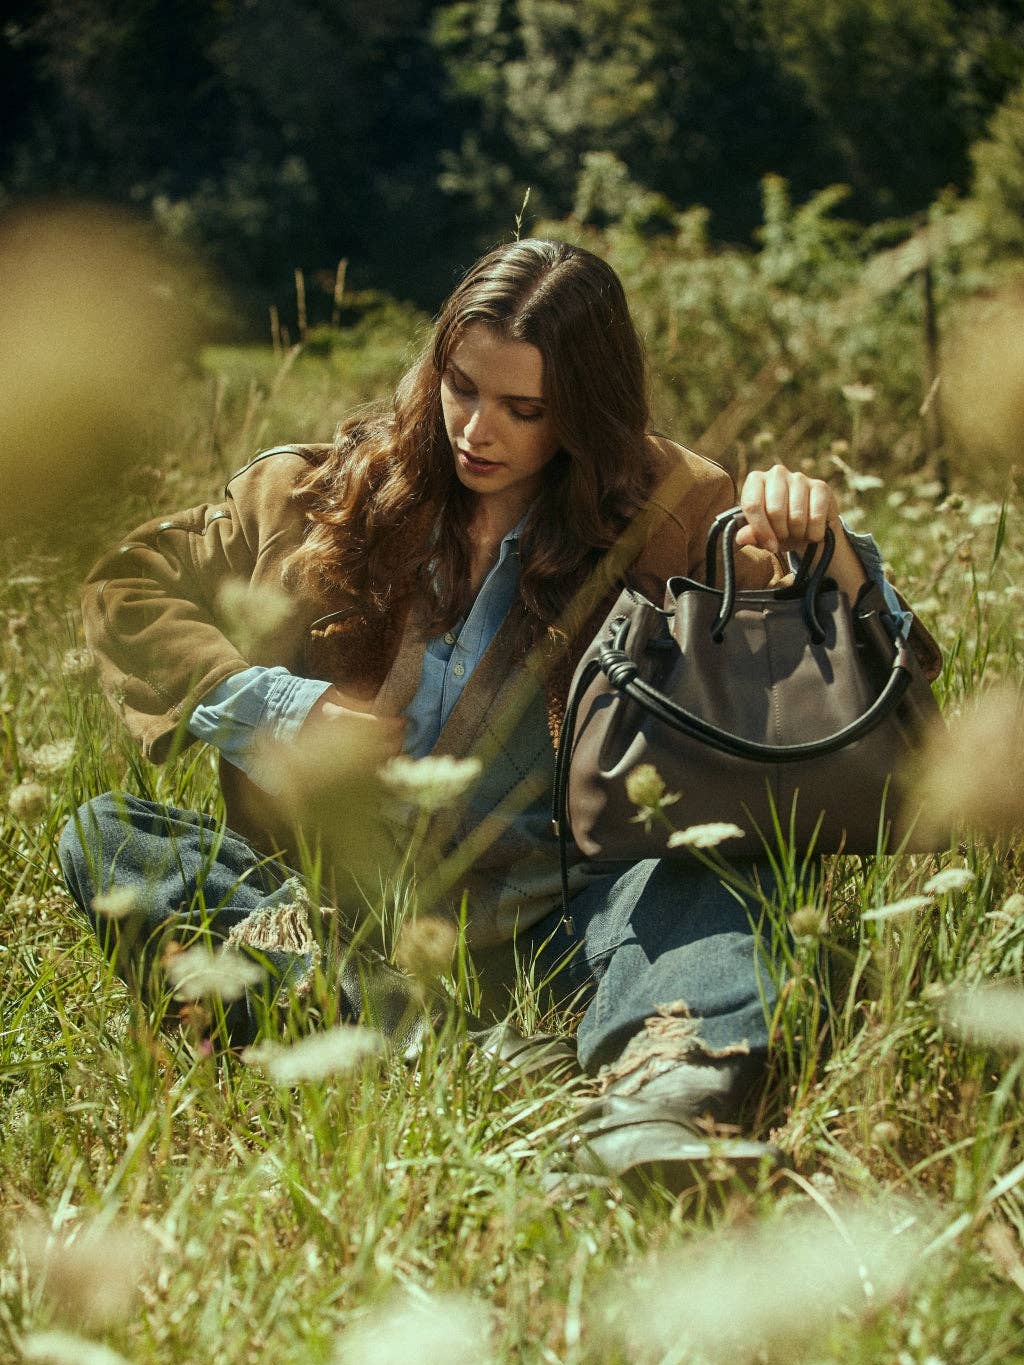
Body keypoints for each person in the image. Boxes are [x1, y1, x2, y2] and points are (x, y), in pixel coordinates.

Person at [59, 238, 940, 1185]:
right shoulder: (312, 492)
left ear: (584, 410)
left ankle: (665, 1103)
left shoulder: (668, 508)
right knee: (108, 837)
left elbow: (875, 683)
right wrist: (283, 705)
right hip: (344, 921)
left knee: (722, 870)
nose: (480, 430)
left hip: (576, 918)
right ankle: (425, 1040)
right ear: (435, 365)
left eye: (526, 410)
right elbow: (125, 585)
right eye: (463, 388)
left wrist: (830, 548)